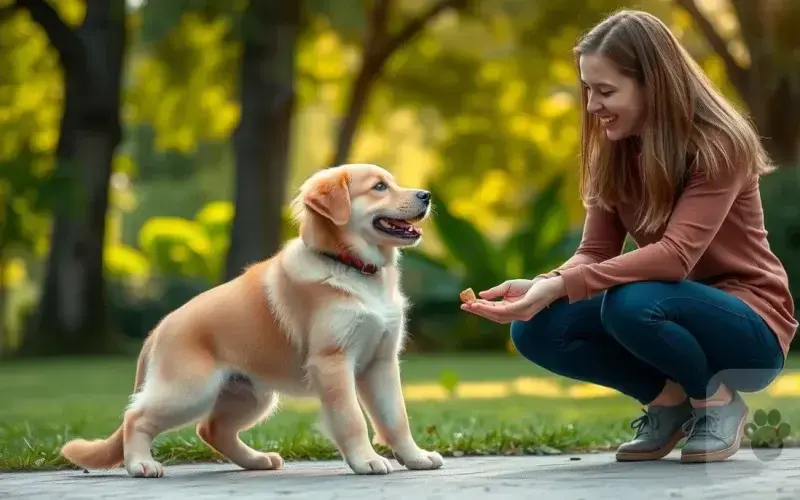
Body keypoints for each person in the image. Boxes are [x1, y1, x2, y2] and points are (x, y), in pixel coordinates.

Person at [461, 8, 797, 464]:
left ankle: (718, 404)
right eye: (587, 90)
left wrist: (564, 285)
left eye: (605, 91)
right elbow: (594, 252)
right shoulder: (613, 152)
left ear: (652, 86)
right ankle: (669, 403)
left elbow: (676, 256)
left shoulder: (719, 145)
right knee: (535, 328)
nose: (591, 106)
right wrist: (546, 284)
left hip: (750, 328)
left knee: (630, 302)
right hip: (664, 304)